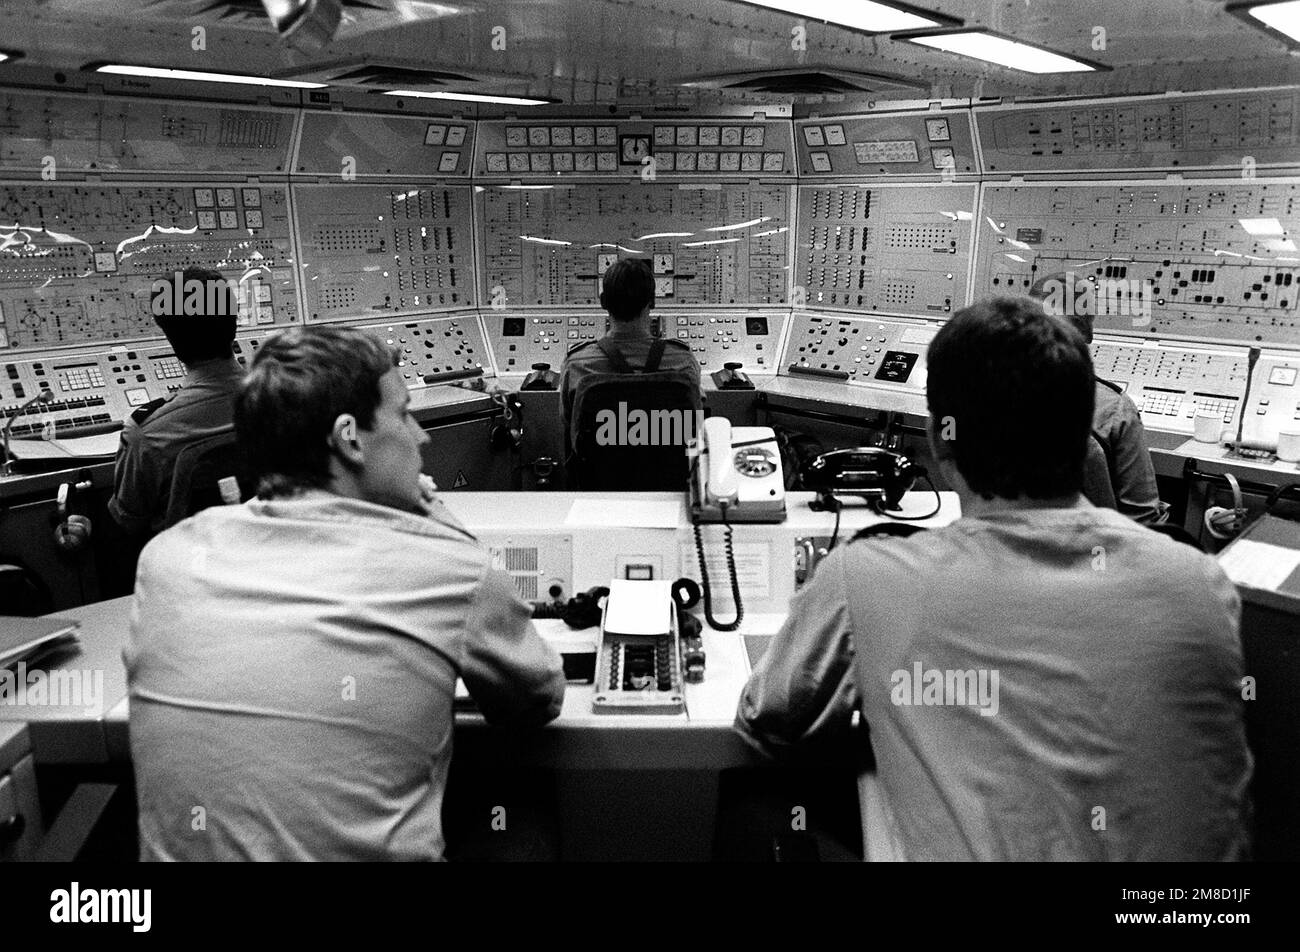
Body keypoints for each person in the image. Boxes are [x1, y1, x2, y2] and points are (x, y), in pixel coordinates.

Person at [734, 297, 1251, 861]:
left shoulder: (868, 577)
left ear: (937, 441)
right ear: (1083, 437)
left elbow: (765, 719)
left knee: (752, 809)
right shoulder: (1199, 581)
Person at [125, 325, 565, 861]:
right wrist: (442, 526)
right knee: (524, 818)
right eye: (404, 414)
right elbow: (537, 699)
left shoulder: (166, 560)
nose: (421, 437)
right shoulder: (448, 566)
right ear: (350, 437)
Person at [108, 267, 245, 538]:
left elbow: (128, 521)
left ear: (168, 334)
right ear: (234, 321)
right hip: (280, 565)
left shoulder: (147, 433)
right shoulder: (288, 403)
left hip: (192, 571)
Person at [1030, 272, 1167, 525]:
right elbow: (1142, 517)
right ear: (1084, 334)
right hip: (1095, 554)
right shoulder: (1114, 409)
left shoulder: (987, 394)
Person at [558, 257, 703, 467]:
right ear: (652, 302)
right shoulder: (683, 362)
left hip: (598, 490)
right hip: (669, 486)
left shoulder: (577, 364)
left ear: (603, 302)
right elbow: (694, 428)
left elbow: (569, 428)